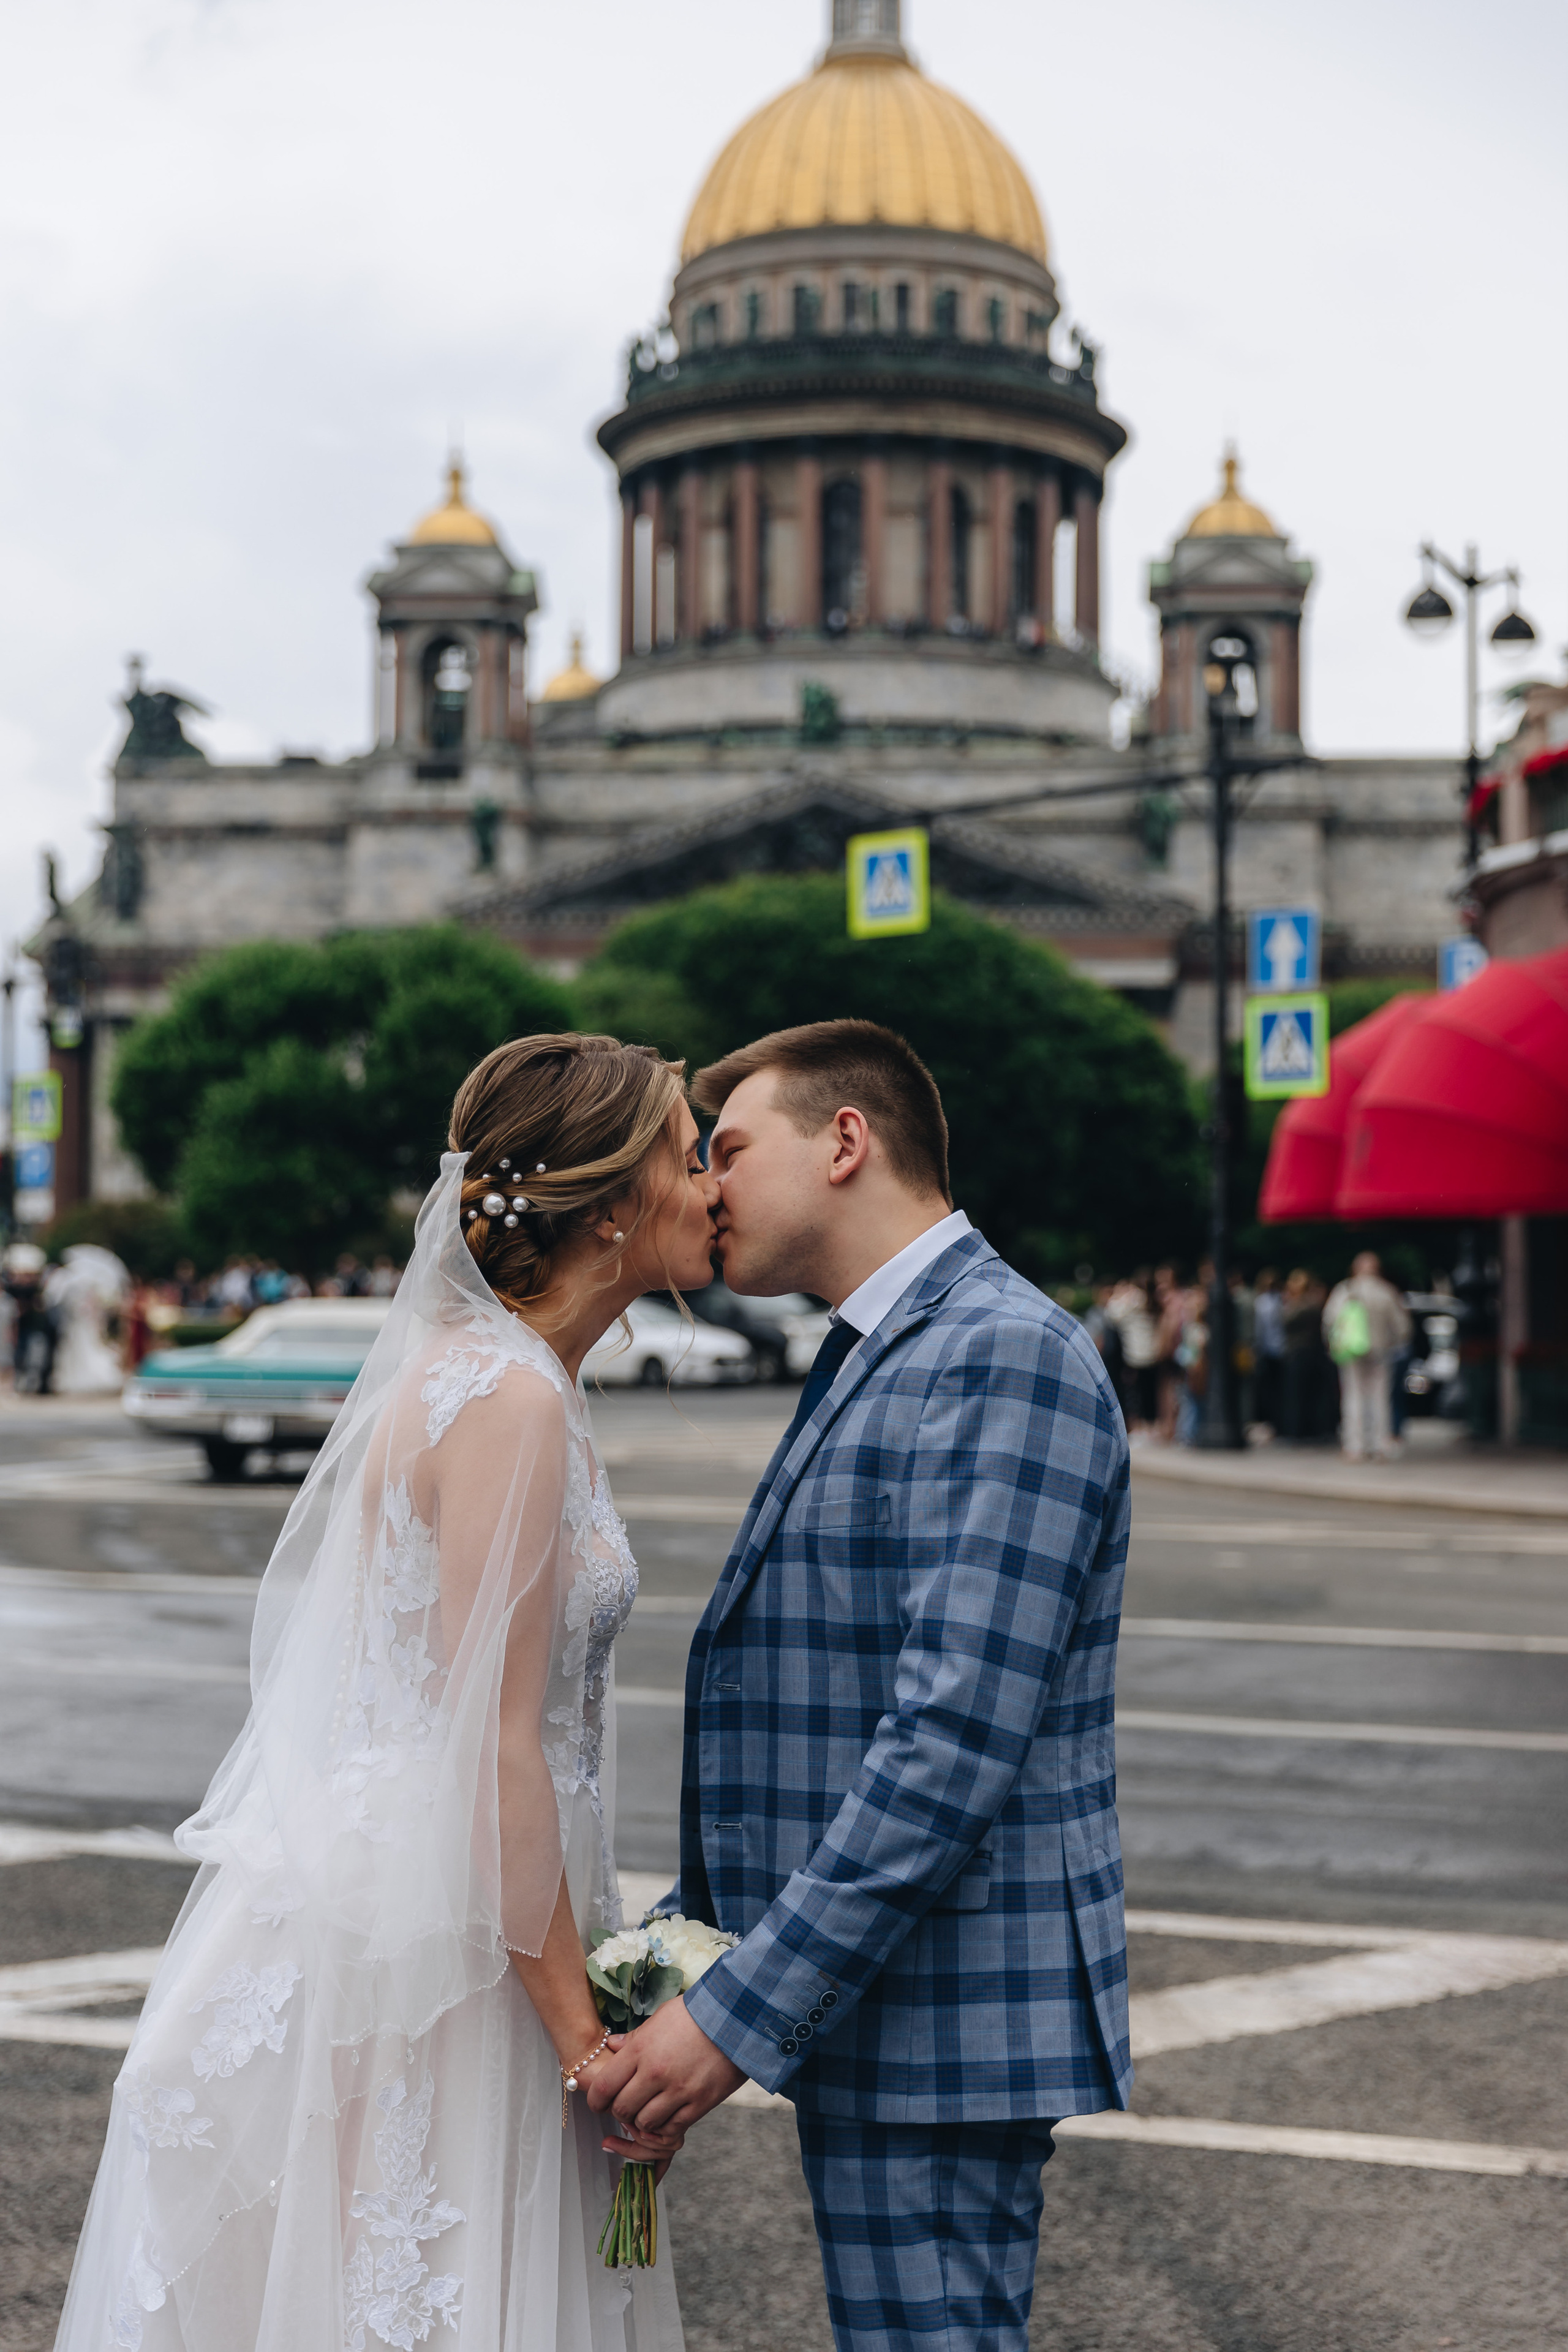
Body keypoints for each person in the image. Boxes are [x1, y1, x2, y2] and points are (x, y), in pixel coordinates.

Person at [57, 1033, 717, 2352]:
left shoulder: (506, 1379)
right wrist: (589, 2047)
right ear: (608, 1204)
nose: (713, 1187)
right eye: (689, 1157)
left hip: (447, 1890)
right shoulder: (510, 1400)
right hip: (450, 1923)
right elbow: (495, 1749)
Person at [586, 1019, 1131, 2352]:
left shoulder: (998, 1350)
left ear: (845, 1141)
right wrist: (650, 1978)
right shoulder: (888, 1341)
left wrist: (730, 2020)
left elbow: (950, 1738)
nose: (705, 1187)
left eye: (726, 1150)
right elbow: (813, 1713)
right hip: (894, 2003)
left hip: (944, 2023)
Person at [1324, 1250, 1413, 1462]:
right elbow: (1403, 1327)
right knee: (1380, 1398)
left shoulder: (1344, 1290)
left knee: (1352, 1396)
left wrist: (1333, 1345)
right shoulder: (1386, 1291)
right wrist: (1391, 1343)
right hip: (1380, 1351)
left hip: (1350, 1351)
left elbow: (1329, 1321)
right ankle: (1380, 1444)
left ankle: (1355, 1446)